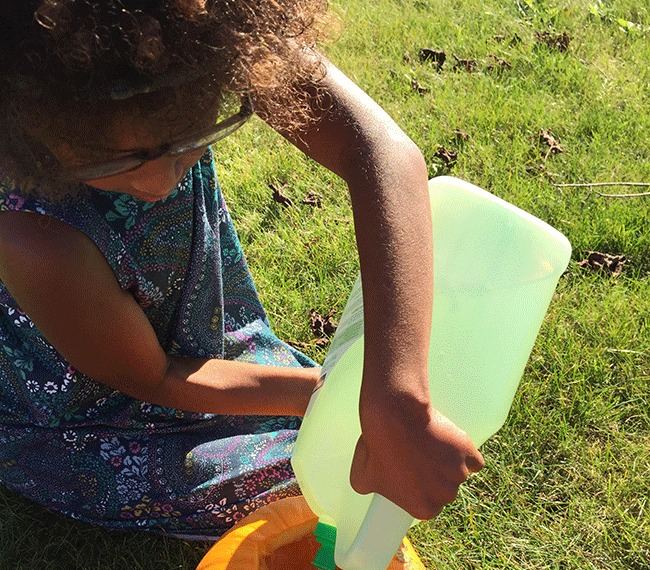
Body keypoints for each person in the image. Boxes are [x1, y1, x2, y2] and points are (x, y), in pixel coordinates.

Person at [0, 0, 483, 540]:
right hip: (99, 403)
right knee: (309, 480)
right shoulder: (31, 238)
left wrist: (396, 395)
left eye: (185, 140)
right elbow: (152, 376)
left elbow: (378, 150)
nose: (160, 181)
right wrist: (331, 396)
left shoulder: (191, 50)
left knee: (346, 448)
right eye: (114, 161)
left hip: (187, 347)